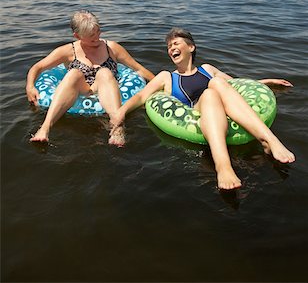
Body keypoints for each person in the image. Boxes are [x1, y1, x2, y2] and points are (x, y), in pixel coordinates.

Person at [111, 27, 295, 190]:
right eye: (169, 47)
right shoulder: (166, 77)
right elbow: (142, 96)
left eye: (176, 43)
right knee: (209, 93)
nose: (171, 48)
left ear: (191, 47)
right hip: (200, 112)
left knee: (217, 82)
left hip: (223, 108)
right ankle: (223, 166)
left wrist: (266, 83)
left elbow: (235, 84)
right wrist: (121, 112)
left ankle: (269, 140)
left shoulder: (207, 69)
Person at [26, 10, 155, 144]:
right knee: (74, 73)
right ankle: (45, 128)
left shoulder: (111, 48)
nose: (97, 37)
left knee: (104, 72)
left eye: (98, 31)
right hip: (81, 88)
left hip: (106, 87)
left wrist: (159, 85)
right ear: (77, 35)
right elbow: (37, 67)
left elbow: (138, 68)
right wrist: (30, 86)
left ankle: (117, 128)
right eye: (91, 35)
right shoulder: (67, 51)